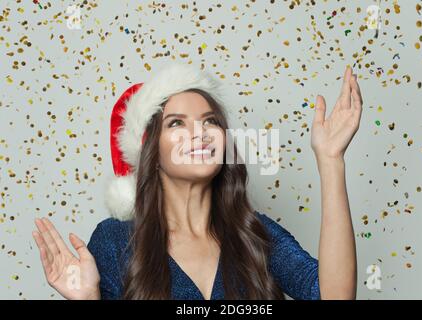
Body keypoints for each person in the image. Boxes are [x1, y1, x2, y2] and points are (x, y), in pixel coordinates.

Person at [32, 62, 362, 300]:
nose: (199, 134)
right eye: (177, 123)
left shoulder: (254, 233)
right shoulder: (115, 240)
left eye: (209, 122)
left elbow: (334, 295)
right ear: (152, 152)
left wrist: (331, 161)